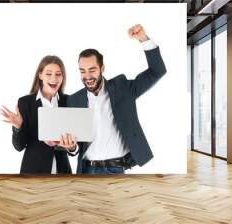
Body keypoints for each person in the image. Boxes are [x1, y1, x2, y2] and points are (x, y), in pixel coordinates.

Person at [68, 24, 167, 174]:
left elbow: (157, 71)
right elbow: (75, 147)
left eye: (92, 70)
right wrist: (71, 147)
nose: (87, 76)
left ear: (102, 69)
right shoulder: (74, 100)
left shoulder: (123, 88)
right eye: (82, 71)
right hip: (86, 170)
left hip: (116, 169)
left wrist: (143, 40)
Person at [0, 55, 77, 174]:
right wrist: (18, 127)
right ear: (40, 75)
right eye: (48, 73)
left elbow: (75, 145)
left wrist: (71, 147)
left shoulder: (69, 101)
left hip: (62, 171)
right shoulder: (25, 103)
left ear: (63, 77)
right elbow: (19, 147)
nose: (54, 78)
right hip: (33, 171)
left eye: (58, 74)